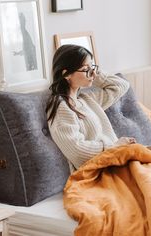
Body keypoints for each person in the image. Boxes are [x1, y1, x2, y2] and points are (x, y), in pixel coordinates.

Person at [46, 44, 136, 172]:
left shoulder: (86, 99)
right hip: (99, 171)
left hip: (116, 160)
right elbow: (77, 150)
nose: (92, 73)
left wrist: (93, 72)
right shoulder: (61, 107)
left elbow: (121, 85)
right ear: (66, 74)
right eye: (85, 69)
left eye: (92, 67)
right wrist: (114, 146)